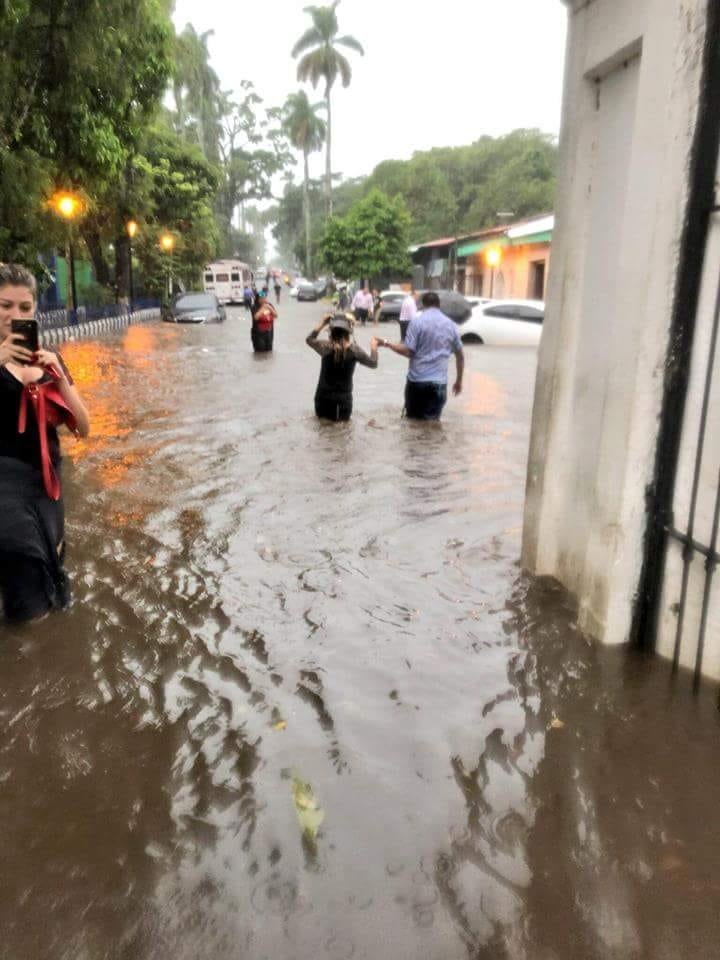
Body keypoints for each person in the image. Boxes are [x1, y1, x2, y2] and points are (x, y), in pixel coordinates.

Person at [0, 263, 90, 622]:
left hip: (46, 488)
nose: (14, 315)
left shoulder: (49, 360)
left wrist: (60, 378)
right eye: (5, 305)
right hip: (5, 492)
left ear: (35, 309)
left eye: (24, 308)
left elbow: (83, 428)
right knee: (29, 584)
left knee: (46, 568)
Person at [377, 291, 464, 421]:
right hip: (439, 385)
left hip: (418, 383)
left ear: (423, 305)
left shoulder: (417, 322)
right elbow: (460, 356)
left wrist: (386, 343)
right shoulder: (450, 325)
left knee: (413, 425)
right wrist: (458, 381)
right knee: (433, 425)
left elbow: (408, 351)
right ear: (438, 305)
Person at [306, 313, 378, 421]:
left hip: (323, 397)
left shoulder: (325, 347)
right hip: (343, 399)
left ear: (331, 332)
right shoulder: (355, 351)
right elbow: (373, 363)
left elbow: (309, 339)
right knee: (342, 430)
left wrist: (322, 323)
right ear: (348, 332)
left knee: (322, 429)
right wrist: (373, 347)